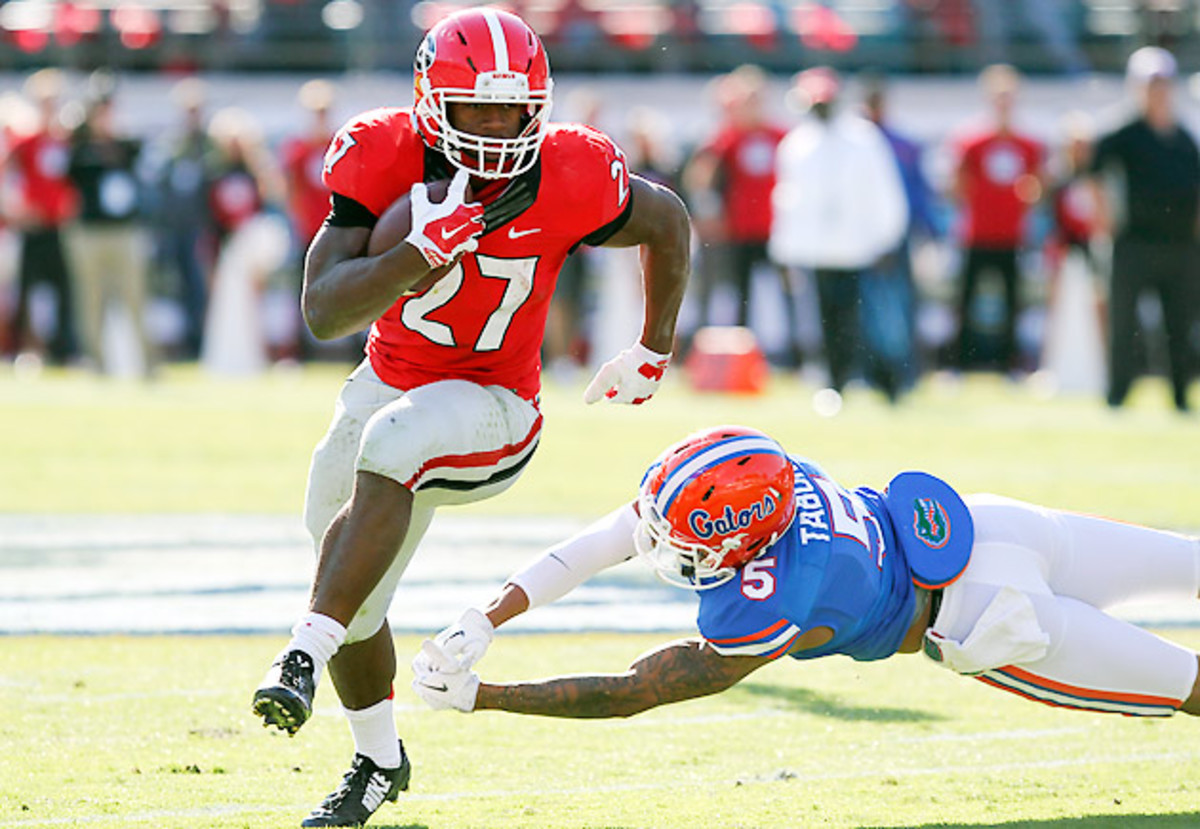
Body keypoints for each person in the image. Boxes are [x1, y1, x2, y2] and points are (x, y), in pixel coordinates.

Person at [249, 7, 690, 828]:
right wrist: (419, 251)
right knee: (350, 577)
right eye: (473, 109)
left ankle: (298, 652)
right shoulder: (382, 152)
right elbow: (320, 310)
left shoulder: (570, 168)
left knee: (393, 450)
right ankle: (379, 761)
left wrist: (653, 346)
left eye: (509, 109)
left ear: (539, 105)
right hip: (385, 380)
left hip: (494, 407)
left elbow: (666, 219)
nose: (493, 128)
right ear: (428, 101)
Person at [410, 425, 1200, 726]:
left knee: (1188, 684)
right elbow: (611, 534)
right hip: (989, 522)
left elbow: (635, 687)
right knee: (1188, 560)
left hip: (992, 617)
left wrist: (486, 695)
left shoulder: (771, 596)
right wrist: (490, 614)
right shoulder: (778, 473)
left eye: (686, 541)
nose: (662, 550)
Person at [768, 66, 908, 404]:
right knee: (826, 323)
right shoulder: (798, 144)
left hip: (860, 250)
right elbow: (788, 200)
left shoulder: (863, 138)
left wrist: (888, 238)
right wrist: (784, 250)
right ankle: (836, 382)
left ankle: (888, 383)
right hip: (817, 252)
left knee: (871, 320)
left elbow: (884, 192)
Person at [1088, 46, 1198, 413]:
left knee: (1179, 324)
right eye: (1151, 83)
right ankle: (1118, 395)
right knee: (1124, 325)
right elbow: (1092, 170)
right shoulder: (1123, 132)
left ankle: (1181, 396)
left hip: (1180, 245)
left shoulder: (1183, 139)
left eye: (1163, 83)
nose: (1158, 91)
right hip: (1133, 241)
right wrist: (1103, 215)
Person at [948, 64, 1044, 375]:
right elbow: (955, 185)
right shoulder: (971, 141)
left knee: (1013, 303)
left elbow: (1038, 186)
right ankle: (960, 363)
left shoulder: (1028, 144)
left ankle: (1008, 363)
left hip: (1011, 235)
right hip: (976, 234)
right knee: (965, 301)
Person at [64, 71, 156, 378]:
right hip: (88, 232)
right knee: (90, 300)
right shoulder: (77, 147)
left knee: (135, 297)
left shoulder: (127, 145)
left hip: (124, 231)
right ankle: (97, 363)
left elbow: (142, 162)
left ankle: (147, 364)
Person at [4, 68, 79, 366]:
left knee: (64, 289)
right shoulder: (27, 140)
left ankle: (63, 350)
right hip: (33, 226)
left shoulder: (65, 140)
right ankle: (23, 349)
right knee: (27, 288)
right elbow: (8, 175)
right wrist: (17, 209)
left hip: (60, 225)